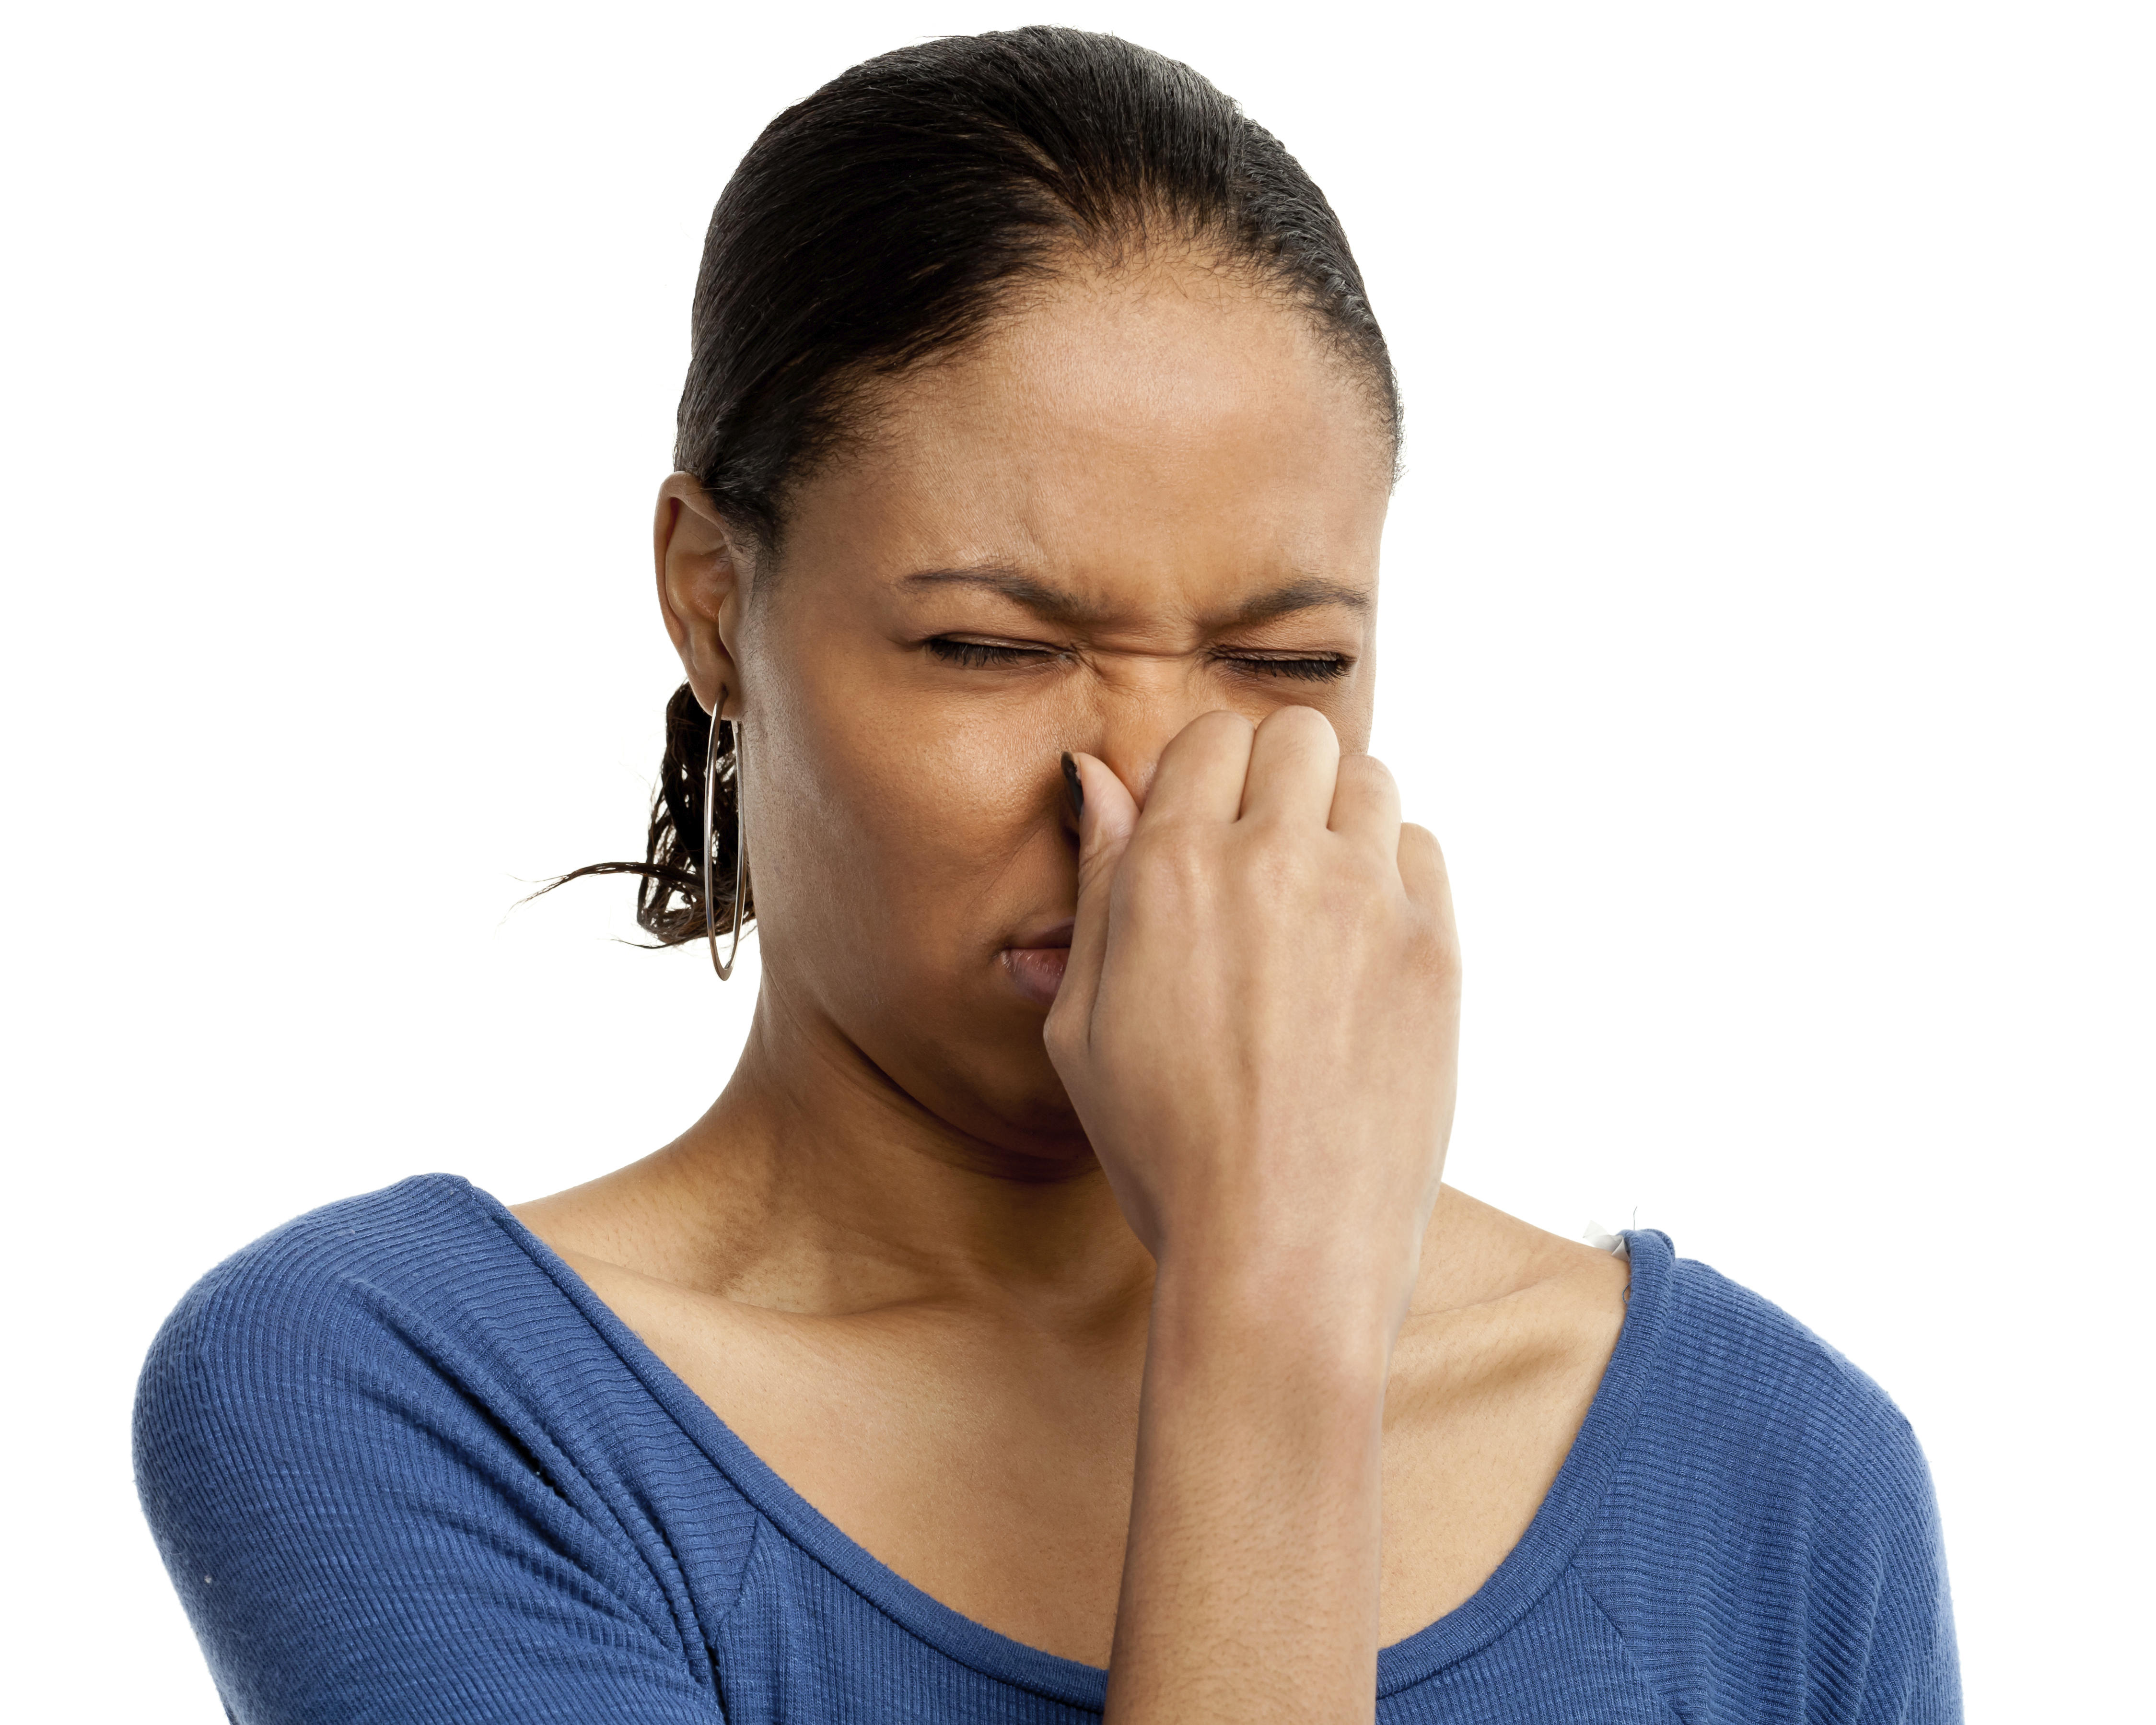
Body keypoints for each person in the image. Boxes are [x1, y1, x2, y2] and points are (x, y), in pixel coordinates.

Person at [133, 27, 1958, 1724]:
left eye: (1289, 665)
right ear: (712, 597)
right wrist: (1268, 1307)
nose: (1142, 803)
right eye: (992, 650)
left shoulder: (1768, 1481)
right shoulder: (406, 1399)